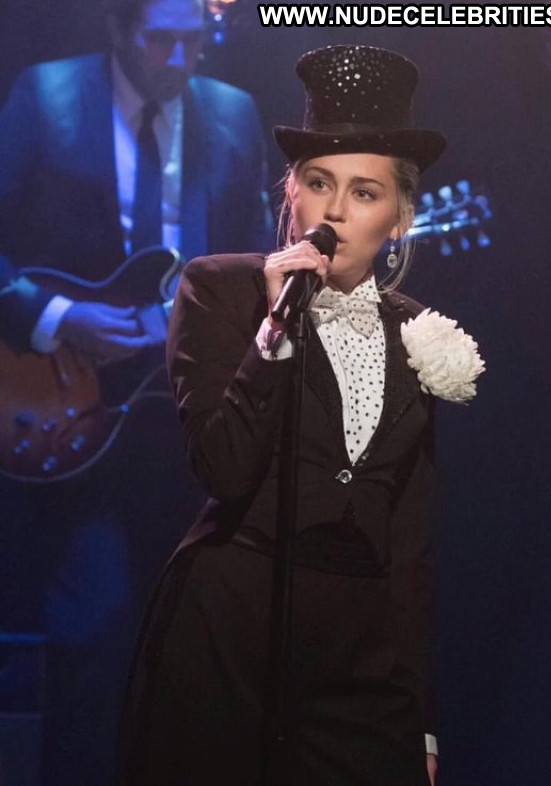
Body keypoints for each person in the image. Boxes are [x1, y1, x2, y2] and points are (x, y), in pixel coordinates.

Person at [120, 44, 453, 785]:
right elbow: (223, 466)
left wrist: (421, 721)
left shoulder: (420, 333)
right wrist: (276, 330)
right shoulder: (221, 291)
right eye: (319, 182)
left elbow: (409, 543)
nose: (335, 211)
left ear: (399, 217)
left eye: (365, 192)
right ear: (291, 194)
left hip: (359, 660)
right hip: (230, 634)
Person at [0, 1, 272, 784]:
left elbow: (254, 259)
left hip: (186, 422)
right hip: (76, 409)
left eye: (194, 42)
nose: (180, 60)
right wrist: (56, 317)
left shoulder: (232, 112)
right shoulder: (47, 96)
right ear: (119, 31)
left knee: (191, 647)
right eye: (161, 41)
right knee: (92, 637)